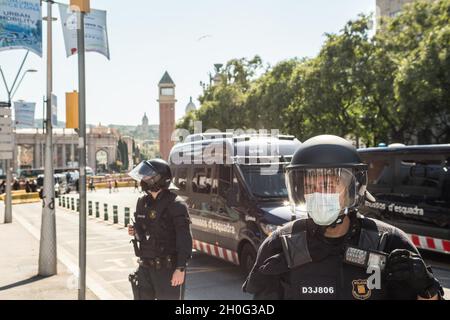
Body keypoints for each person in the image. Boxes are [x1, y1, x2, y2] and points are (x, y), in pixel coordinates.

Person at [243, 135, 444, 300]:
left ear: (353, 188)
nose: (319, 194)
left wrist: (426, 289)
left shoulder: (388, 242)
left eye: (329, 185)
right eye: (310, 187)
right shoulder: (281, 244)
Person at [127, 159, 192, 300]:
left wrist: (180, 269)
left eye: (147, 175)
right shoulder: (142, 202)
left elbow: (184, 239)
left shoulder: (176, 204)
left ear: (159, 178)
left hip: (167, 270)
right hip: (145, 268)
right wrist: (135, 231)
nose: (143, 179)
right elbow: (143, 232)